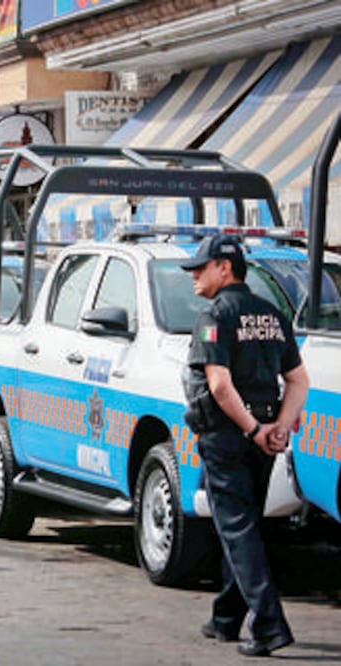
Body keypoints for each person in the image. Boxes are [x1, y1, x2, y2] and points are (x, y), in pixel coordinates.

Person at [180, 234, 309, 658]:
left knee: (236, 528)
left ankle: (270, 625)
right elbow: (297, 380)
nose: (194, 275)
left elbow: (219, 385)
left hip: (229, 434)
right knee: (244, 524)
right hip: (263, 432)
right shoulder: (272, 313)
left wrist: (254, 429)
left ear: (225, 267)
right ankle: (227, 618)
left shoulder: (213, 316)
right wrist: (279, 428)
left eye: (202, 266)